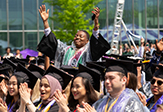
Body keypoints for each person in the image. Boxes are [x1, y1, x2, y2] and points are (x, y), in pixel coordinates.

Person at [37, 5, 110, 68]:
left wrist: (96, 23)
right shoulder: (66, 50)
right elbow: (52, 41)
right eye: (76, 36)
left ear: (87, 41)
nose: (77, 37)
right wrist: (45, 22)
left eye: (81, 36)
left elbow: (95, 40)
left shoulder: (88, 51)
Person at [80, 59, 146, 112]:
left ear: (123, 80)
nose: (107, 82)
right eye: (105, 78)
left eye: (111, 78)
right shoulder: (100, 103)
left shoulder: (131, 102)